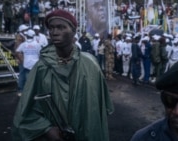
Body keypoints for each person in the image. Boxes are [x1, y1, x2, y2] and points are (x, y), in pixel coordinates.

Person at [12, 9, 114, 141]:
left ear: (73, 31)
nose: (54, 32)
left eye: (61, 27)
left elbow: (102, 107)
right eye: (51, 28)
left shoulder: (90, 65)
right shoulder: (41, 68)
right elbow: (25, 111)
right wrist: (46, 128)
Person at [15, 29, 42, 97]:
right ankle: (34, 93)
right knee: (35, 79)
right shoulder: (37, 44)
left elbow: (17, 51)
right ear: (33, 36)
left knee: (27, 79)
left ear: (27, 35)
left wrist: (21, 59)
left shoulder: (24, 44)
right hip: (35, 65)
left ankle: (25, 93)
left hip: (26, 65)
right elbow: (41, 53)